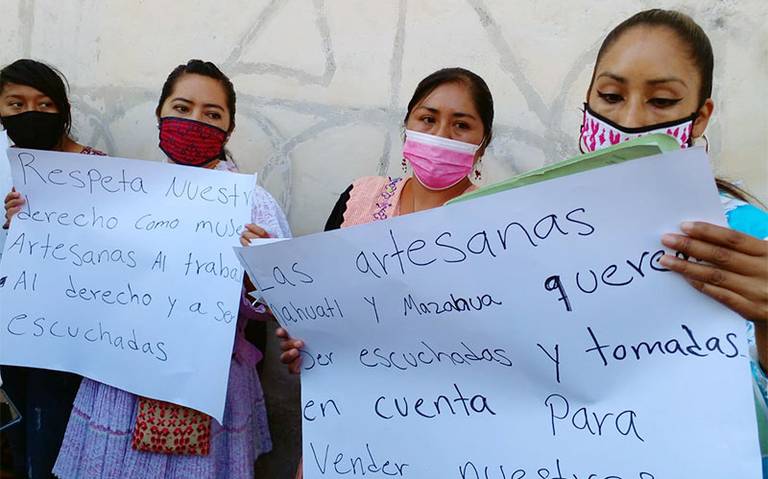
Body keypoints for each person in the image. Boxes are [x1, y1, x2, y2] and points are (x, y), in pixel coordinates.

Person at [41, 60, 289, 478]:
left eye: (212, 114)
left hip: (207, 384)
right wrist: (33, 222)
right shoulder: (123, 193)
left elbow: (276, 308)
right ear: (159, 115)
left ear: (228, 129)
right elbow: (81, 273)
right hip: (122, 376)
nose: (195, 121)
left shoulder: (253, 204)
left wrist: (258, 274)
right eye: (182, 108)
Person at [268, 66, 495, 478]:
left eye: (461, 125)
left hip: (447, 437)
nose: (441, 134)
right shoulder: (359, 200)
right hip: (346, 432)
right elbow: (319, 307)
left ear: (483, 143)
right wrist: (302, 341)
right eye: (428, 119)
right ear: (407, 126)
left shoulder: (500, 224)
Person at [575, 8, 768, 473]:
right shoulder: (525, 230)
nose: (630, 119)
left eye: (661, 101)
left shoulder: (750, 239)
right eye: (610, 95)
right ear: (587, 101)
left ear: (699, 118)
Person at [1, 58, 106, 479]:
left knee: (53, 441)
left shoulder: (96, 166)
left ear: (63, 110)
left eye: (45, 104)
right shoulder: (5, 164)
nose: (31, 113)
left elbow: (115, 249)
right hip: (12, 326)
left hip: (68, 334)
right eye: (15, 103)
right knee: (17, 431)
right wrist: (13, 226)